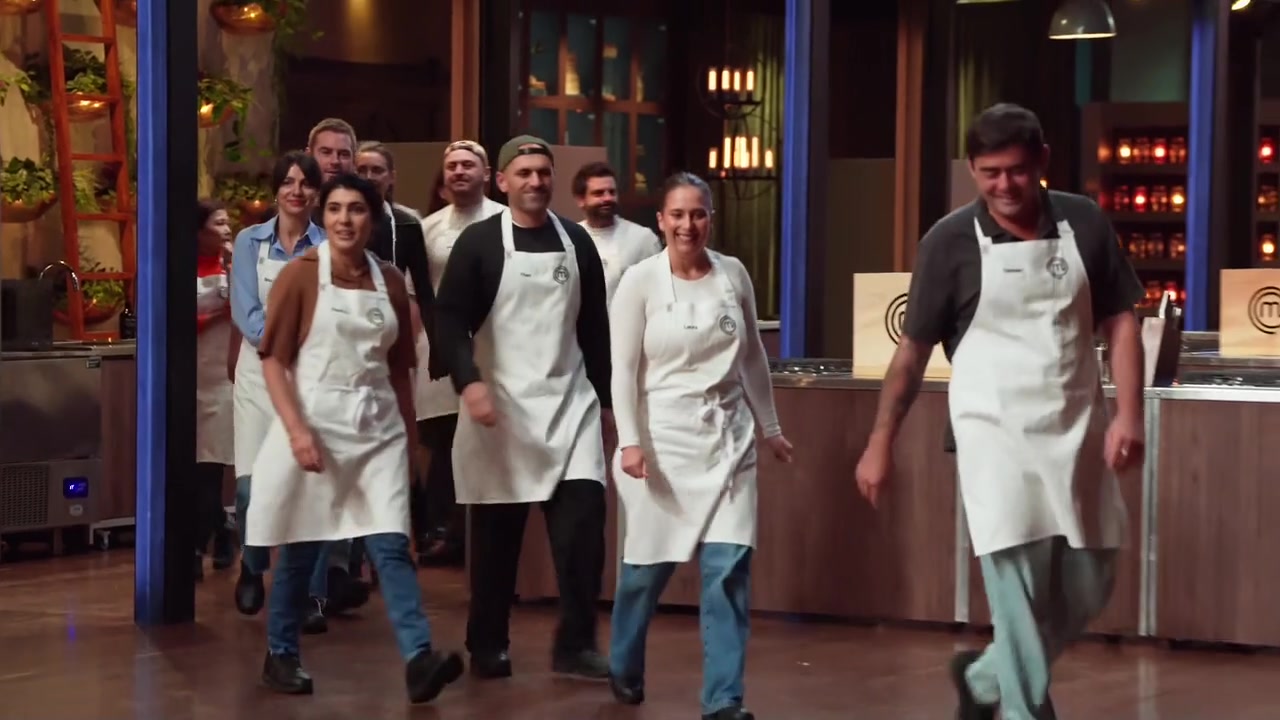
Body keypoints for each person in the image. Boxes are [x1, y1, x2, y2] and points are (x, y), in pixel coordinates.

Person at [854, 103, 1143, 720]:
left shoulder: (1084, 223)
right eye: (990, 173)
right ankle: (1022, 708)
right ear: (972, 169)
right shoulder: (949, 242)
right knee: (1017, 588)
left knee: (1092, 581)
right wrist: (881, 441)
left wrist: (1129, 413)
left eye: (1016, 170)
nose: (1004, 185)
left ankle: (984, 679)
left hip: (1075, 426)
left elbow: (1121, 320)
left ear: (1042, 160)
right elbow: (911, 353)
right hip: (993, 435)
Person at [245, 173, 464, 702]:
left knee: (391, 544)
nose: (345, 219)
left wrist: (408, 443)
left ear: (373, 218)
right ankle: (281, 652)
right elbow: (273, 361)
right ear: (324, 217)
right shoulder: (300, 276)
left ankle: (418, 659)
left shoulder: (389, 280)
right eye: (336, 209)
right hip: (316, 426)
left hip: (378, 430)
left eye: (357, 209)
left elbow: (400, 372)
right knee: (303, 545)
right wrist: (296, 431)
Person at [605, 172, 791, 720]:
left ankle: (723, 700)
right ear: (661, 221)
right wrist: (630, 442)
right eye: (678, 215)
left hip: (728, 441)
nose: (689, 225)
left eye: (699, 214)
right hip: (660, 444)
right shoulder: (640, 281)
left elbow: (752, 355)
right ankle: (623, 663)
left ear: (711, 217)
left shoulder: (733, 274)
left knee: (728, 571)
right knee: (646, 571)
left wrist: (770, 427)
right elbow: (622, 370)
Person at [433, 135, 613, 679]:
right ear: (503, 181)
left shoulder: (577, 243)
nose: (536, 181)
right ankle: (487, 642)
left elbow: (595, 329)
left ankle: (575, 645)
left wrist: (606, 404)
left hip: (570, 406)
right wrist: (469, 382)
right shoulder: (480, 243)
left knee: (583, 532)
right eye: (525, 172)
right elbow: (448, 320)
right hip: (501, 408)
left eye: (543, 172)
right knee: (496, 542)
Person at [229, 152, 326, 617]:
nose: (296, 191)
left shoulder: (327, 245)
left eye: (305, 183)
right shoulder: (250, 242)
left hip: (309, 378)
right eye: (288, 182)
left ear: (317, 193)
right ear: (276, 190)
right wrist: (284, 340)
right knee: (251, 489)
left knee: (307, 489)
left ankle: (308, 593)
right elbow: (246, 311)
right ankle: (252, 565)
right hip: (258, 375)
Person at [413, 139, 504, 566]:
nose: (460, 171)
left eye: (469, 164)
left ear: (487, 174)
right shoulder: (427, 228)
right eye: (452, 165)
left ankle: (477, 535)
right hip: (437, 349)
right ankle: (444, 533)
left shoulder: (505, 222)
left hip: (492, 347)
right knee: (441, 442)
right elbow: (416, 295)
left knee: (485, 441)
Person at [352, 140, 438, 579]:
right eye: (362, 169)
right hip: (347, 342)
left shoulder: (406, 224)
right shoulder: (340, 221)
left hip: (393, 340)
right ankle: (352, 557)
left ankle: (403, 538)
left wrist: (432, 345)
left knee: (398, 439)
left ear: (391, 177)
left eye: (377, 170)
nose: (369, 177)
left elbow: (422, 286)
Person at [194, 199, 236, 579]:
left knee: (209, 468)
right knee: (189, 470)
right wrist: (213, 314)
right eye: (218, 223)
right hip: (188, 377)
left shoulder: (235, 267)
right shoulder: (180, 267)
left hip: (222, 378)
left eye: (227, 223)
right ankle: (222, 531)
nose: (226, 230)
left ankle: (196, 548)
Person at [572, 161, 663, 303]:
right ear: (580, 200)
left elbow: (658, 289)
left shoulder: (643, 239)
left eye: (612, 192)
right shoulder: (571, 238)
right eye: (599, 193)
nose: (607, 198)